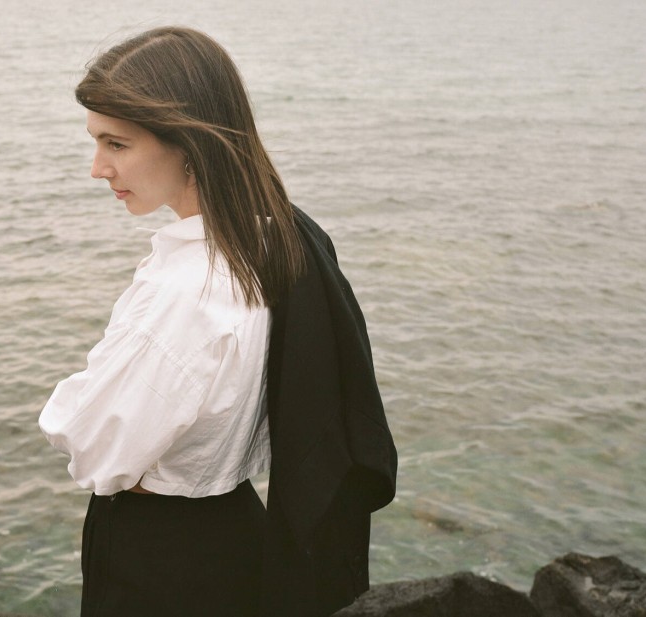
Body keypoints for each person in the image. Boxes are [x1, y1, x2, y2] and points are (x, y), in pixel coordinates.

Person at [39, 26, 397, 617]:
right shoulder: (275, 236)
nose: (98, 168)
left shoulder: (189, 290)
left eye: (117, 144)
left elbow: (93, 445)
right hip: (235, 530)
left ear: (189, 144)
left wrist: (70, 408)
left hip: (160, 559)